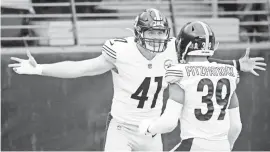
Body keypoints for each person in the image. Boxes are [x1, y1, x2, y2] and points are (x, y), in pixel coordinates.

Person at [8, 8, 266, 151]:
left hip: (152, 132)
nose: (157, 39)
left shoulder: (173, 47)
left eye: (161, 33)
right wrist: (40, 68)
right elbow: (81, 68)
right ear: (138, 33)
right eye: (151, 33)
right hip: (122, 127)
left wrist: (235, 65)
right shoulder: (121, 51)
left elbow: (202, 66)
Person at [138, 21, 243, 151]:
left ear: (183, 45)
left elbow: (169, 123)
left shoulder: (180, 72)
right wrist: (228, 146)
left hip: (194, 145)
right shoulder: (229, 73)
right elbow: (236, 126)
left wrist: (149, 128)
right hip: (222, 145)